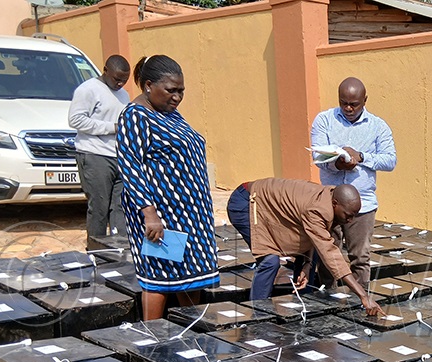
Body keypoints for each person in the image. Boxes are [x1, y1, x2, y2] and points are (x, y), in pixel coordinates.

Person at [116, 55, 218, 321]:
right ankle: (153, 338)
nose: (177, 97)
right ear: (149, 85)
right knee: (160, 277)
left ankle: (189, 331)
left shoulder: (170, 113)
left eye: (181, 91)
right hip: (164, 215)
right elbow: (130, 166)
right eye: (171, 90)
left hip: (190, 214)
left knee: (190, 277)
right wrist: (150, 214)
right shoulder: (136, 116)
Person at [226, 178, 383, 315]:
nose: (350, 220)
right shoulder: (318, 209)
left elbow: (312, 235)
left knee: (310, 256)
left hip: (267, 206)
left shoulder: (329, 199)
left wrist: (307, 265)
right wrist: (363, 296)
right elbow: (331, 254)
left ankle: (301, 308)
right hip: (247, 202)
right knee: (269, 261)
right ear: (335, 204)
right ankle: (258, 314)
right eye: (348, 215)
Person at [310, 77, 396, 290]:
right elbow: (318, 157)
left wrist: (362, 157)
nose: (348, 108)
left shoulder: (378, 126)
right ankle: (328, 301)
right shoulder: (324, 120)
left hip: (363, 204)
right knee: (328, 256)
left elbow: (390, 160)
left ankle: (357, 305)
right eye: (343, 103)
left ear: (365, 100)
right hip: (330, 203)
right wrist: (338, 164)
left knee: (360, 258)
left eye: (354, 104)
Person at [68, 55, 130, 242]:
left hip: (118, 156)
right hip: (94, 155)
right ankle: (97, 252)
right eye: (117, 79)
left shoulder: (124, 94)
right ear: (105, 70)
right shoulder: (88, 90)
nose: (120, 83)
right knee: (99, 208)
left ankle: (120, 251)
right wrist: (112, 127)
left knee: (120, 207)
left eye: (124, 80)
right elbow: (75, 120)